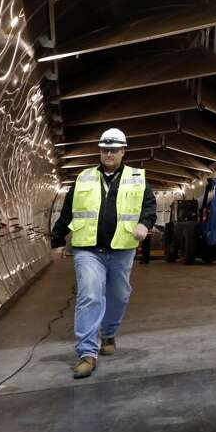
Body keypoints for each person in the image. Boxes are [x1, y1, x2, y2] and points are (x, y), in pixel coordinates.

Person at [51, 127, 156, 379]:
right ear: (99, 151)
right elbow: (68, 211)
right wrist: (57, 240)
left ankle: (108, 332)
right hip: (88, 249)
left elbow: (149, 205)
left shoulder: (137, 177)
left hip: (122, 248)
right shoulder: (84, 178)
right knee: (89, 294)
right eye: (104, 149)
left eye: (113, 149)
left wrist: (145, 223)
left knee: (119, 295)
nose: (108, 153)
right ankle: (87, 353)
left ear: (123, 151)